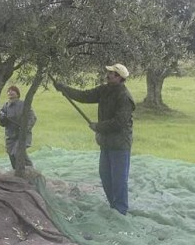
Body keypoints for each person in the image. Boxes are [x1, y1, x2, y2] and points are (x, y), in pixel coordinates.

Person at [54, 64, 135, 215]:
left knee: (118, 180)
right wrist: (64, 89)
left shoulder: (124, 97)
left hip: (120, 143)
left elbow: (119, 123)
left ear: (119, 77)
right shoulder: (104, 90)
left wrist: (98, 127)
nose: (108, 74)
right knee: (105, 176)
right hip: (106, 142)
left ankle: (121, 210)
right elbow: (84, 96)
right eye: (109, 72)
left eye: (111, 73)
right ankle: (113, 206)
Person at [0, 85, 37, 169]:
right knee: (11, 155)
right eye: (9, 91)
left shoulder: (24, 104)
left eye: (13, 90)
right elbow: (1, 123)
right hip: (10, 137)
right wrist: (2, 118)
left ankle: (31, 170)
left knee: (18, 152)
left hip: (22, 135)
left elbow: (32, 118)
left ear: (17, 94)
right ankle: (17, 174)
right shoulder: (5, 106)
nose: (10, 92)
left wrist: (25, 128)